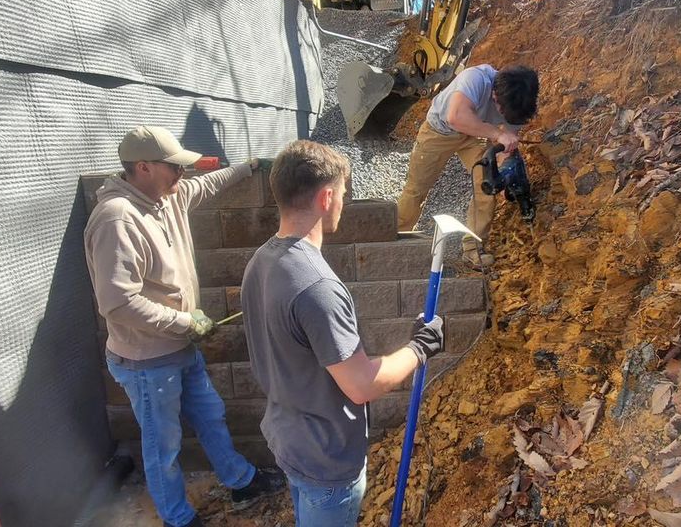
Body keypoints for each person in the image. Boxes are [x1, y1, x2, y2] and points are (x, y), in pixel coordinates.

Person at [84, 126, 285, 527]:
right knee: (164, 447)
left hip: (179, 348)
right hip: (146, 361)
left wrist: (247, 167)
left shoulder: (165, 196)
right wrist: (183, 322)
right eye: (174, 167)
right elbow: (117, 303)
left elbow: (207, 184)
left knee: (211, 414)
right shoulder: (116, 220)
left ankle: (240, 480)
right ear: (143, 167)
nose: (182, 174)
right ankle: (178, 519)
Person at [240, 140, 445, 526]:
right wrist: (420, 347)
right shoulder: (317, 286)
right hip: (325, 458)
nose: (344, 204)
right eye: (344, 195)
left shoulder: (262, 260)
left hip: (289, 437)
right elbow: (361, 385)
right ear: (327, 196)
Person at [395, 64, 539, 266]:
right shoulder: (475, 79)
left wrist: (503, 167)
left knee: (486, 188)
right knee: (416, 189)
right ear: (495, 96)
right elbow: (456, 117)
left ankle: (473, 248)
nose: (505, 118)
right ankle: (397, 237)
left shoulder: (520, 103)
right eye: (502, 112)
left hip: (475, 135)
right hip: (440, 131)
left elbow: (508, 141)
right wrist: (497, 134)